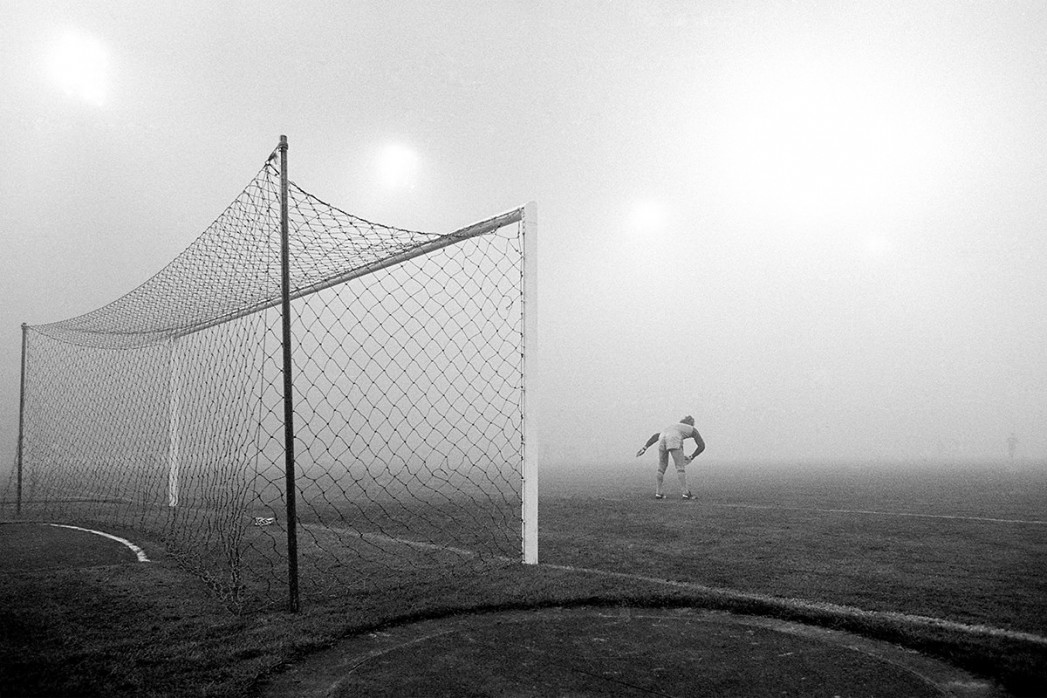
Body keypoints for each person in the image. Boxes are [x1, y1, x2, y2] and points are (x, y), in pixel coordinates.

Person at [636, 415, 705, 500]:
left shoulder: (673, 427)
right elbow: (702, 446)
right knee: (680, 467)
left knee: (662, 466)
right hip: (674, 439)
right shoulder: (692, 429)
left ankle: (658, 493)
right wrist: (692, 456)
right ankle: (685, 493)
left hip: (662, 438)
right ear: (691, 424)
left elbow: (656, 436)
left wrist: (645, 448)